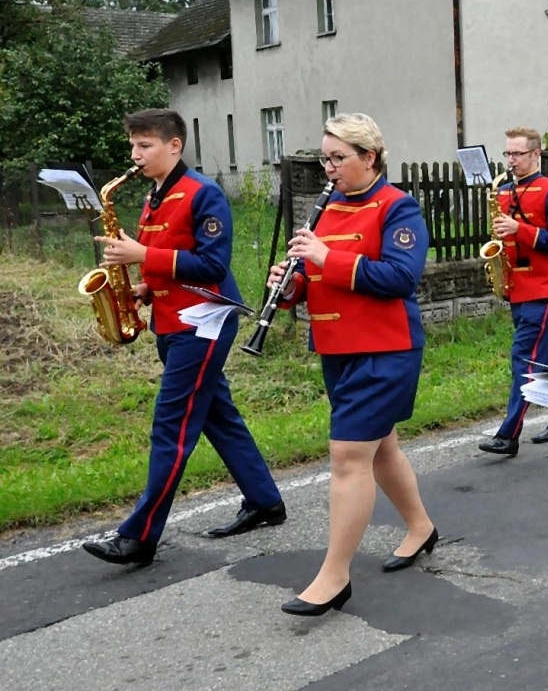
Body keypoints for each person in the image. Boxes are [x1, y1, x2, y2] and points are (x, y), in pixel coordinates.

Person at [82, 110, 286, 567]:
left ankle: (139, 535)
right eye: (133, 146)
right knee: (217, 415)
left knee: (170, 428)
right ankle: (265, 500)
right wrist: (142, 286)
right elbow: (171, 263)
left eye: (145, 145)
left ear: (175, 146)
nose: (135, 156)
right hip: (173, 320)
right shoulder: (155, 195)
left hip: (204, 322)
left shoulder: (203, 194)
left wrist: (143, 254)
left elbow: (212, 266)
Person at [268, 113, 438, 615]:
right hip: (337, 348)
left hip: (385, 349)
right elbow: (315, 279)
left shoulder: (397, 208)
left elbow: (399, 277)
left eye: (339, 158)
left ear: (370, 157)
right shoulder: (326, 209)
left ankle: (334, 575)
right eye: (326, 158)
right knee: (380, 449)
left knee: (347, 455)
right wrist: (292, 284)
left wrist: (324, 258)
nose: (330, 168)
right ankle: (421, 527)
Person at [479, 128, 548, 458]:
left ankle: (509, 434)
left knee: (525, 357)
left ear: (536, 155)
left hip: (545, 285)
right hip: (516, 286)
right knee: (543, 355)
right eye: (507, 154)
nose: (511, 160)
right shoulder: (503, 191)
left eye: (517, 154)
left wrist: (520, 230)